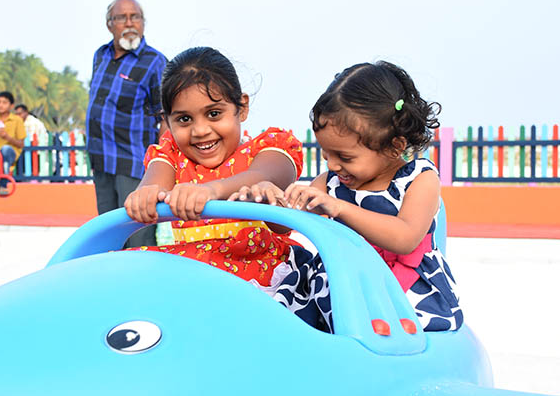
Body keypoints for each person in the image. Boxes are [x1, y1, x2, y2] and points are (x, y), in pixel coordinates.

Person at [232, 61, 463, 332]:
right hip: (341, 282)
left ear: (394, 146)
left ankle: (389, 335)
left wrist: (339, 208)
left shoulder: (420, 179)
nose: (332, 165)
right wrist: (268, 200)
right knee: (283, 317)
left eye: (345, 157)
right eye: (326, 154)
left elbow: (405, 238)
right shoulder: (330, 183)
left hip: (403, 284)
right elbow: (286, 224)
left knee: (388, 325)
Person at [123, 46, 304, 286]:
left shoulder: (267, 149)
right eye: (184, 119)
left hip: (259, 280)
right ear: (167, 120)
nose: (200, 130)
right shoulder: (172, 156)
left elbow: (263, 175)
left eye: (214, 113)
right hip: (193, 277)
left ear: (242, 108)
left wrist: (211, 191)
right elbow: (154, 183)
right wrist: (145, 195)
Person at [87, 0, 167, 248]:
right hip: (101, 158)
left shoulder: (155, 62)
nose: (130, 23)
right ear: (109, 24)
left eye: (135, 17)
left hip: (133, 163)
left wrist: (161, 162)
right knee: (107, 233)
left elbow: (165, 117)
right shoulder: (100, 55)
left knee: (138, 234)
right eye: (122, 17)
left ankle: (142, 274)